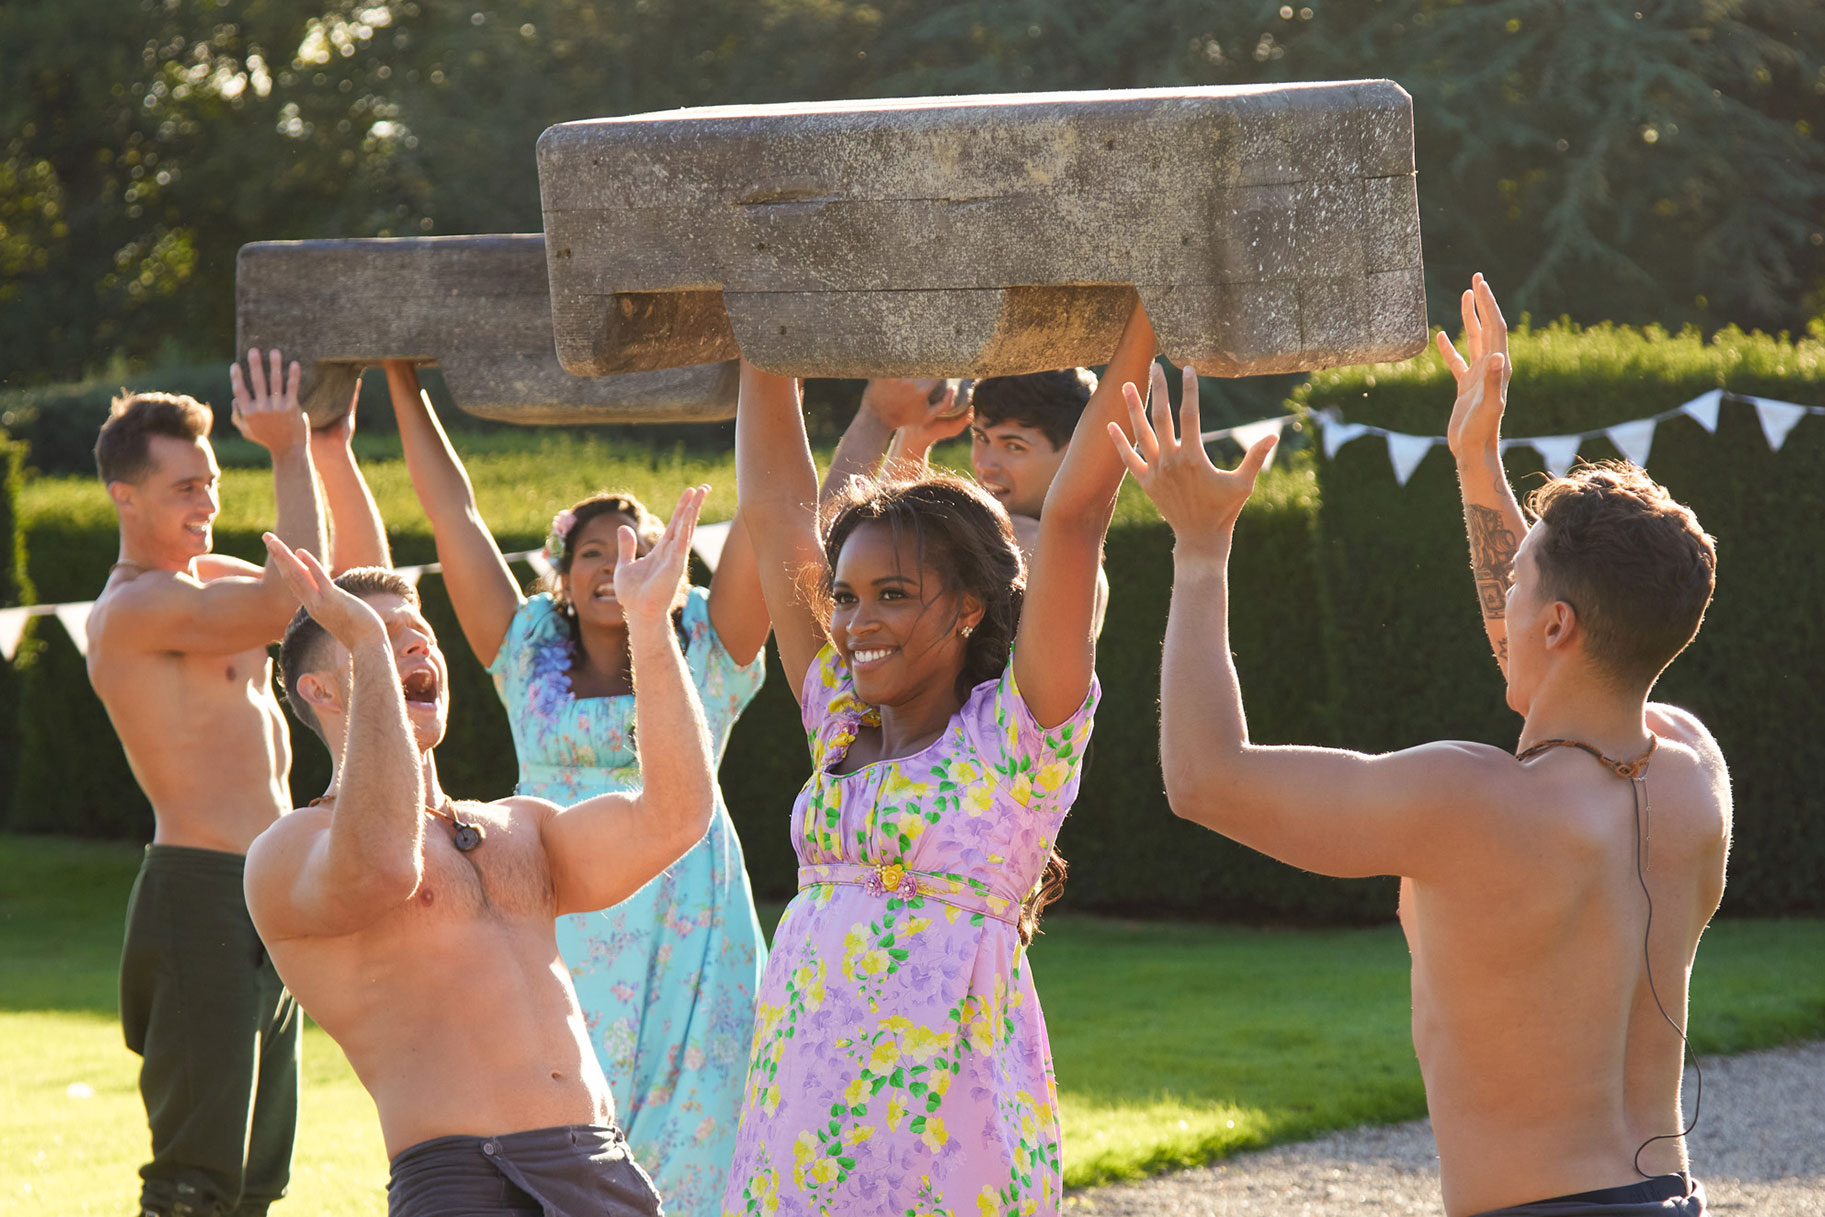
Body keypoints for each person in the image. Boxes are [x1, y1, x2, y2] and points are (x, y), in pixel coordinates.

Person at [1108, 274, 1729, 1217]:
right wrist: (1476, 461)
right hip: (1670, 1197)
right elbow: (1557, 656)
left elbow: (1203, 778)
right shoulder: (1692, 767)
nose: (1501, 597)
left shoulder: (1467, 799)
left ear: (1555, 624)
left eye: (1515, 581)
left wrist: (1199, 549)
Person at [720, 298, 1159, 1216]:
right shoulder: (838, 720)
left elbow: (1074, 516)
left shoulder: (1016, 736)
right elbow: (770, 508)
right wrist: (762, 316)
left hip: (944, 1116)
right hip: (798, 1104)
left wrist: (1148, 308)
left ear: (966, 606)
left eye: (890, 593)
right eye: (843, 597)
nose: (853, 621)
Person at [244, 484, 721, 1217]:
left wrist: (649, 624)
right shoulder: (287, 851)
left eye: (417, 630)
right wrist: (373, 653)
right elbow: (384, 865)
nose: (411, 641)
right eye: (375, 629)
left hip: (601, 1165)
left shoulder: (519, 825)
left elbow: (677, 815)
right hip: (469, 1179)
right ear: (320, 690)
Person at [381, 362, 771, 1216]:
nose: (613, 561)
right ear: (561, 568)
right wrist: (400, 381)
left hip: (691, 918)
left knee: (699, 1126)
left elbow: (773, 514)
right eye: (593, 548)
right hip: (552, 907)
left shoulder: (705, 645)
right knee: (555, 1128)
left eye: (633, 544)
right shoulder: (522, 649)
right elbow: (457, 515)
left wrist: (769, 376)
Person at [87, 348, 385, 1217]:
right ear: (125, 496)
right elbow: (281, 608)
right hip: (198, 892)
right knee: (195, 1180)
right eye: (185, 487)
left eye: (212, 482)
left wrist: (325, 449)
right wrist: (284, 454)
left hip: (270, 888)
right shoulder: (133, 610)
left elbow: (348, 585)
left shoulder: (205, 580)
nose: (209, 503)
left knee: (258, 1180)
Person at [827, 370, 1111, 633]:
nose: (985, 464)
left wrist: (880, 419)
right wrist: (916, 437)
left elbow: (848, 559)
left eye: (1014, 446)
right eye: (981, 437)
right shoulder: (1074, 547)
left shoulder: (1027, 540)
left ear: (1075, 452)